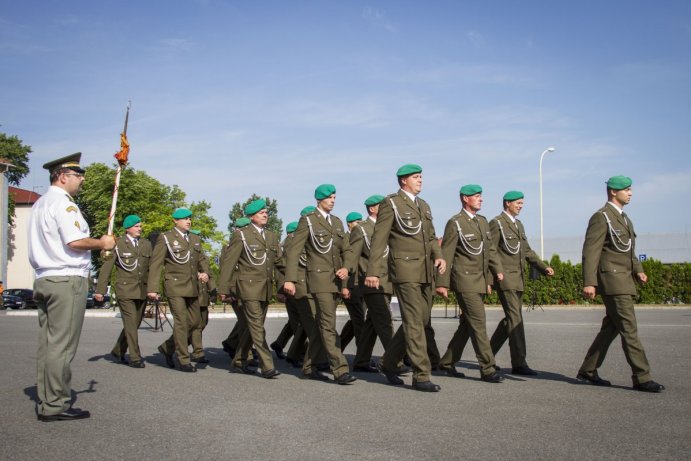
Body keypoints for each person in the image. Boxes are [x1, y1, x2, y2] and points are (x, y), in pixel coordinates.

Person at [28, 152, 116, 421]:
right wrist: (103, 243)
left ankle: (47, 399)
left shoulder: (40, 204)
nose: (82, 179)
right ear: (63, 176)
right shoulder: (65, 205)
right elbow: (75, 241)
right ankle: (55, 404)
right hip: (66, 279)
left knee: (49, 346)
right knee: (62, 347)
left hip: (45, 278)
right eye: (78, 175)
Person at [577, 176, 664, 392]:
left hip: (624, 279)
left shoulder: (624, 219)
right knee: (629, 328)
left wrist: (639, 270)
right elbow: (591, 251)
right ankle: (642, 377)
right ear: (613, 192)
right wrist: (589, 282)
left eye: (630, 189)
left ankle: (588, 370)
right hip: (613, 281)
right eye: (626, 189)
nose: (630, 193)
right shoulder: (601, 217)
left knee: (611, 328)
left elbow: (628, 250)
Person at [365, 164, 445, 392]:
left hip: (425, 271)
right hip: (404, 270)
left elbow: (431, 237)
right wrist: (372, 271)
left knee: (419, 319)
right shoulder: (391, 203)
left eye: (421, 176)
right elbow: (379, 240)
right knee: (413, 321)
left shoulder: (424, 206)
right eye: (415, 177)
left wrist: (438, 256)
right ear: (403, 181)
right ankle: (421, 375)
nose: (420, 180)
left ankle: (388, 363)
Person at [283, 185, 357, 385]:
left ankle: (308, 367)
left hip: (334, 281)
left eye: (334, 197)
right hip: (317, 281)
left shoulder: (336, 222)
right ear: (319, 200)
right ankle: (340, 369)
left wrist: (347, 268)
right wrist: (289, 279)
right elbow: (294, 252)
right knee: (328, 324)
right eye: (329, 198)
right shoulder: (308, 221)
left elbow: (347, 250)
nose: (332, 200)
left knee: (319, 326)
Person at [436, 184, 505, 383]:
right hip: (464, 280)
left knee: (467, 325)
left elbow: (490, 251)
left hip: (480, 281)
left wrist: (496, 272)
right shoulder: (455, 223)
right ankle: (488, 368)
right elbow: (446, 254)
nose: (481, 199)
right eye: (476, 196)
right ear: (465, 199)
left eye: (481, 196)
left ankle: (447, 362)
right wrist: (442, 283)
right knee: (478, 322)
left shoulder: (483, 222)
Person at [488, 191, 554, 375]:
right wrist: (490, 278)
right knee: (515, 318)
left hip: (518, 279)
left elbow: (527, 251)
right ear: (507, 203)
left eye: (522, 203)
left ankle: (487, 356)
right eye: (517, 202)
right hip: (505, 279)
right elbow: (490, 252)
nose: (520, 205)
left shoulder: (518, 225)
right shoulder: (497, 223)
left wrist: (543, 267)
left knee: (509, 320)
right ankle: (519, 363)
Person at [218, 199, 280, 379]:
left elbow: (279, 263)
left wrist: (288, 281)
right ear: (252, 216)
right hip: (248, 287)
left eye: (266, 212)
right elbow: (229, 264)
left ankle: (239, 360)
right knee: (257, 327)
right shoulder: (242, 235)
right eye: (261, 213)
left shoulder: (271, 236)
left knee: (252, 327)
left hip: (266, 288)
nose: (265, 215)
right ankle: (267, 365)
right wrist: (224, 288)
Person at [147, 207, 211, 373]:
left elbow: (202, 259)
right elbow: (156, 264)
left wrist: (206, 273)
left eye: (189, 218)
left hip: (192, 286)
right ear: (175, 221)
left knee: (196, 322)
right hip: (175, 285)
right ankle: (183, 359)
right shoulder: (166, 238)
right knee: (182, 322)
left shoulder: (195, 238)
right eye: (184, 219)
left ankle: (167, 347)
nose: (188, 221)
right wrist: (153, 288)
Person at [344, 195, 395, 372]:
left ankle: (361, 361)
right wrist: (345, 283)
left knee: (371, 325)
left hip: (388, 281)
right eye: (383, 206)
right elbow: (352, 256)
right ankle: (395, 360)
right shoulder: (362, 229)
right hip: (372, 282)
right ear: (372, 209)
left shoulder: (389, 227)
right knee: (385, 321)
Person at [95, 214, 151, 368]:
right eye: (136, 226)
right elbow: (107, 267)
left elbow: (151, 268)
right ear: (128, 229)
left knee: (134, 323)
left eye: (140, 226)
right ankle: (135, 357)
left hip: (142, 289)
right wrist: (100, 290)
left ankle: (118, 351)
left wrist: (153, 289)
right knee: (131, 323)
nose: (140, 229)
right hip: (125, 290)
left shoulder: (146, 244)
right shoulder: (118, 244)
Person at [270, 221, 308, 367]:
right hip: (290, 287)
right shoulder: (289, 243)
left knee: (295, 321)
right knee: (299, 323)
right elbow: (282, 268)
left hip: (297, 285)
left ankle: (279, 344)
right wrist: (281, 288)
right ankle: (298, 353)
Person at [339, 211, 366, 352]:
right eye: (357, 222)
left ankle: (337, 348)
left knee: (356, 321)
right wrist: (344, 287)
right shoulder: (346, 239)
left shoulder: (362, 236)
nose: (360, 224)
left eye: (361, 221)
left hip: (361, 285)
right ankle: (362, 356)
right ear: (349, 224)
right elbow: (345, 263)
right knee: (359, 322)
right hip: (351, 285)